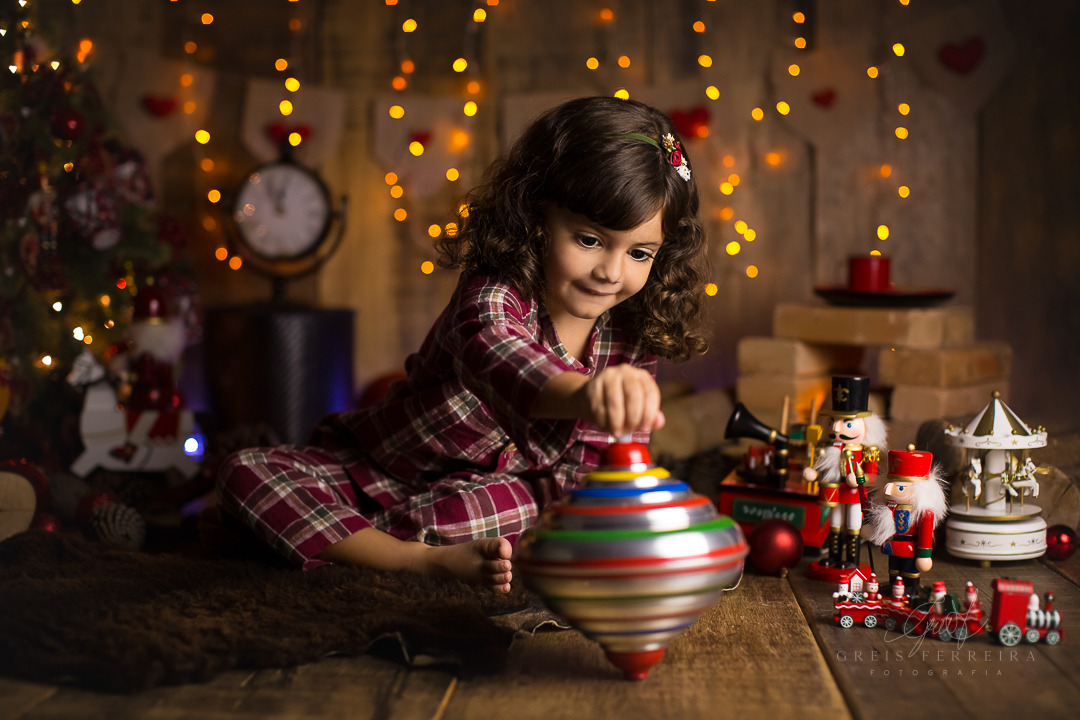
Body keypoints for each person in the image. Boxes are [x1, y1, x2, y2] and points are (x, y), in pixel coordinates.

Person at [216, 97, 710, 593]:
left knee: (521, 515)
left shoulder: (633, 336)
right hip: (378, 471)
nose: (612, 271)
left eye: (640, 252)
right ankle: (408, 560)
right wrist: (585, 395)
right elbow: (499, 352)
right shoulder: (495, 291)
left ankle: (337, 544)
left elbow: (592, 472)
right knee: (246, 470)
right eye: (589, 240)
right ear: (538, 217)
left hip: (491, 500)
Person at [804, 375, 887, 573]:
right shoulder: (829, 448)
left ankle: (851, 560)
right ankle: (832, 557)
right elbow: (823, 468)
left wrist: (857, 479)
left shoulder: (866, 451)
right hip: (833, 493)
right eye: (833, 421)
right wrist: (813, 473)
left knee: (852, 525)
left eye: (847, 423)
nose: (836, 428)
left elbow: (872, 476)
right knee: (834, 524)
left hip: (853, 495)